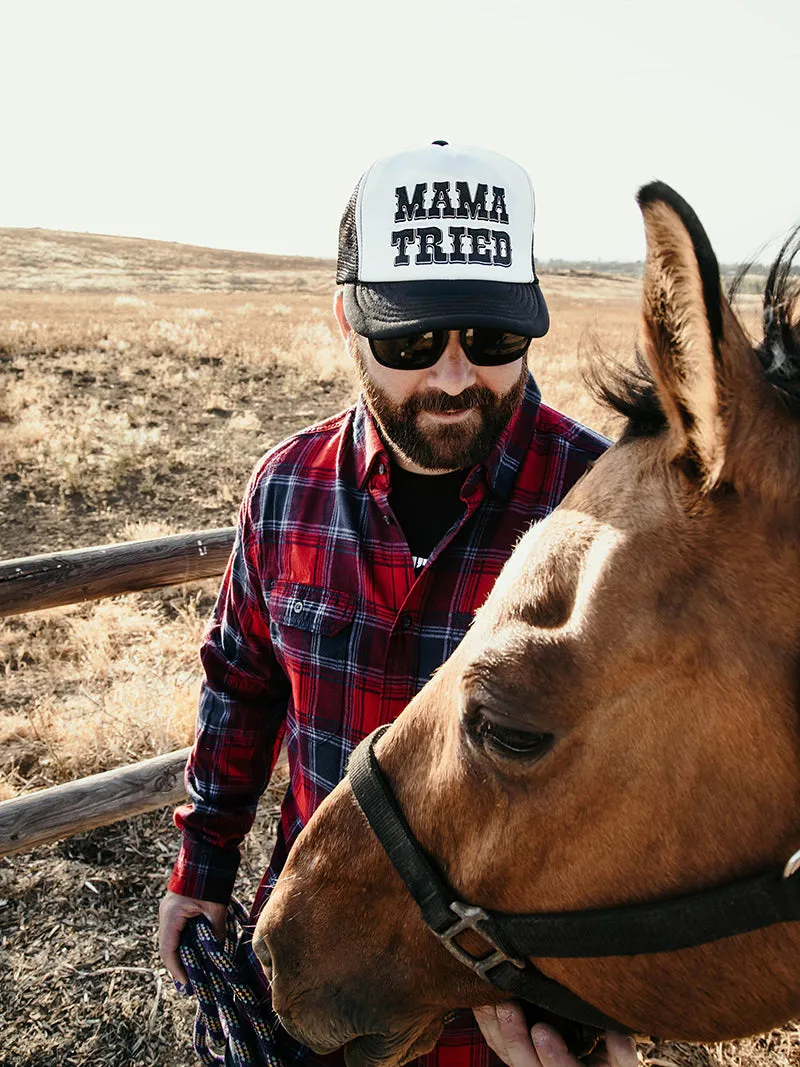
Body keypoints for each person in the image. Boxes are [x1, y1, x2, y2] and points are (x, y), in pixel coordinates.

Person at [159, 141, 636, 1067]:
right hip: (308, 975)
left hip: (508, 1018)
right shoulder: (285, 491)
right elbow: (241, 689)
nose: (456, 378)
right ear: (347, 320)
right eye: (412, 343)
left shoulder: (604, 511)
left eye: (493, 339)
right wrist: (202, 871)